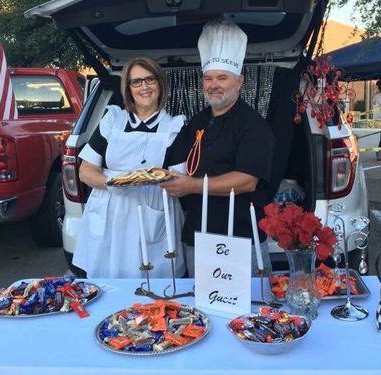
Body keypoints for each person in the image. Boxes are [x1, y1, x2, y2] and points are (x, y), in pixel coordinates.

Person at [161, 20, 275, 277]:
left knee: (248, 307)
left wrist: (190, 185)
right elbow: (177, 164)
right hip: (198, 233)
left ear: (239, 81)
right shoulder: (196, 121)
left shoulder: (254, 125)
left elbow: (247, 180)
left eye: (222, 77)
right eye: (208, 78)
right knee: (201, 304)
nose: (214, 84)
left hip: (241, 234)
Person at [72, 56, 187, 278]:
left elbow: (179, 180)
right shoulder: (112, 120)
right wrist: (113, 182)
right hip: (109, 213)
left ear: (160, 84)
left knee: (153, 283)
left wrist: (155, 179)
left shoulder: (174, 127)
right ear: (128, 88)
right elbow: (85, 171)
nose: (144, 86)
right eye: (136, 82)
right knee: (107, 283)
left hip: (152, 212)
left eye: (150, 79)